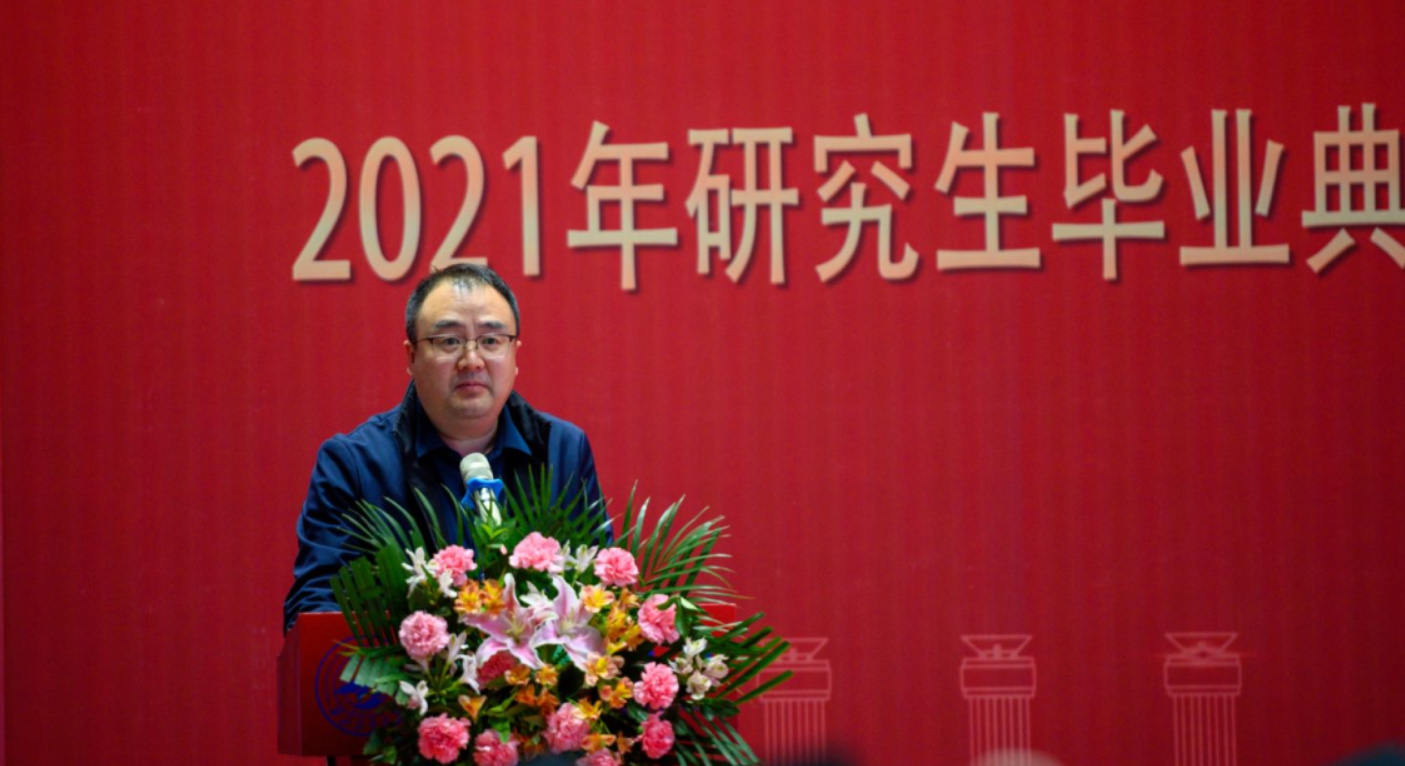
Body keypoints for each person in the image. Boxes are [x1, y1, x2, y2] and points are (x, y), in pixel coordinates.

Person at [283, 264, 602, 630]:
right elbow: (317, 611)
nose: (472, 360)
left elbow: (598, 591)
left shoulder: (561, 450)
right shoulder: (355, 465)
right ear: (411, 357)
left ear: (514, 355)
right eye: (449, 341)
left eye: (491, 340)